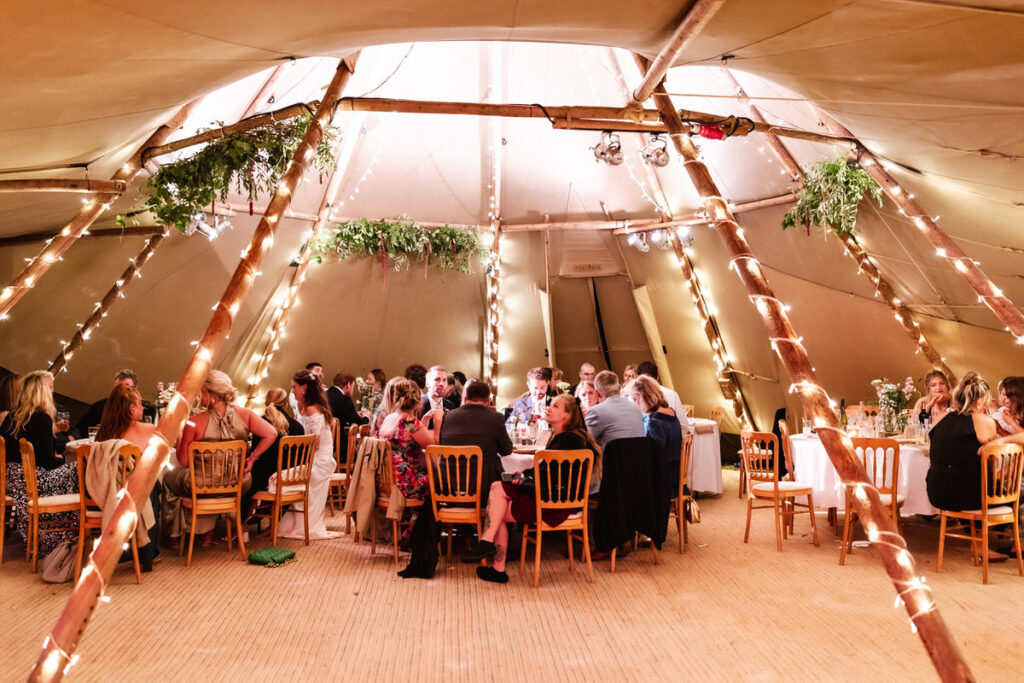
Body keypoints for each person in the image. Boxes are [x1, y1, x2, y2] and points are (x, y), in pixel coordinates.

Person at [464, 394, 601, 583]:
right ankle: (492, 556)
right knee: (498, 504)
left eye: (555, 406)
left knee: (497, 499)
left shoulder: (566, 441)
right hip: (561, 501)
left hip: (553, 505)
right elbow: (545, 471)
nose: (549, 408)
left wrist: (524, 481)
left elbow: (549, 479)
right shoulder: (572, 438)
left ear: (567, 416)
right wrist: (525, 474)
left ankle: (493, 556)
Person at [167, 370, 277, 545]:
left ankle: (175, 535)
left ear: (213, 394)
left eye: (201, 391)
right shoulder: (246, 415)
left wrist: (180, 433)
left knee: (168, 478)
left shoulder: (194, 422)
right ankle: (207, 532)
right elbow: (271, 433)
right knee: (208, 482)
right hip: (238, 482)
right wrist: (252, 458)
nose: (198, 395)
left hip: (201, 485)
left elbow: (184, 462)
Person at [1, 370, 78, 557]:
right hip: (32, 481)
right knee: (79, 469)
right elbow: (47, 462)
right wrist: (62, 460)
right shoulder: (40, 418)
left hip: (12, 480)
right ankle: (74, 529)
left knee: (71, 469)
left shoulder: (12, 417)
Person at [926, 373, 1001, 561]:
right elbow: (993, 464)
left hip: (937, 492)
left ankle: (978, 543)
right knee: (1009, 490)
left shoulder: (941, 418)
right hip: (967, 495)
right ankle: (1001, 543)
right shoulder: (984, 421)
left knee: (966, 476)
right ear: (979, 401)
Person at [377, 378, 443, 578]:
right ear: (417, 401)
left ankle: (413, 532)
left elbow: (409, 441)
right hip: (405, 483)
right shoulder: (409, 421)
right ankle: (419, 537)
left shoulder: (390, 418)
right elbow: (434, 446)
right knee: (440, 487)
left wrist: (424, 422)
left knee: (434, 484)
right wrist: (438, 421)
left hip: (388, 480)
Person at [94, 383, 159, 569]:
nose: (142, 408)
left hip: (106, 496)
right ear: (131, 409)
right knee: (154, 486)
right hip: (133, 496)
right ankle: (148, 553)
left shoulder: (103, 435)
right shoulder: (147, 429)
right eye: (139, 404)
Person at [274, 370, 340, 540]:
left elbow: (315, 444)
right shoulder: (301, 407)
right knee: (282, 475)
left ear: (304, 388)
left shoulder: (312, 410)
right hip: (308, 458)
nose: (292, 391)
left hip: (320, 461)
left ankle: (304, 526)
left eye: (294, 387)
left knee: (281, 477)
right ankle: (290, 524)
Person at [439, 379, 513, 495]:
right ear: (488, 402)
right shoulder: (496, 418)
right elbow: (506, 450)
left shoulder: (447, 416)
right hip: (483, 488)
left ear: (464, 399)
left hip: (449, 486)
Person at [243, 387, 304, 516]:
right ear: (286, 405)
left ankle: (240, 523)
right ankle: (266, 513)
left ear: (267, 403)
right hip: (293, 478)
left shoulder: (262, 424)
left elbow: (256, 454)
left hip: (269, 479)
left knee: (243, 484)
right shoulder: (298, 427)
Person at [623, 375, 683, 503]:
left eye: (634, 399)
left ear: (643, 398)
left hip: (662, 483)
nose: (634, 404)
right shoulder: (670, 413)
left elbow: (652, 460)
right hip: (674, 476)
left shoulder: (655, 423)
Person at [77, 369, 151, 435]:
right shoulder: (99, 406)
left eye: (126, 388)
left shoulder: (141, 408)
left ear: (135, 390)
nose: (121, 392)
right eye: (118, 388)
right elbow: (81, 428)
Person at [584, 371, 645, 449]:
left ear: (597, 393)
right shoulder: (636, 408)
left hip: (615, 456)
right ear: (619, 388)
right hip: (642, 455)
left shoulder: (596, 412)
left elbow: (585, 442)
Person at [636, 361, 690, 431]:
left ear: (638, 378)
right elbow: (684, 425)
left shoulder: (633, 396)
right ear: (657, 377)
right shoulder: (671, 394)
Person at [327, 370, 370, 457]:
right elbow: (359, 422)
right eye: (353, 388)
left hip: (324, 442)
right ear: (348, 385)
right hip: (337, 446)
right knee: (358, 454)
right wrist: (367, 416)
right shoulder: (344, 400)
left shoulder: (324, 394)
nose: (353, 391)